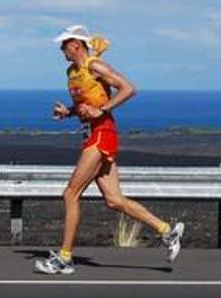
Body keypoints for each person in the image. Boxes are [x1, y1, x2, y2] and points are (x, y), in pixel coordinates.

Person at [34, 25, 184, 275]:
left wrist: (102, 111)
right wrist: (68, 112)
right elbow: (87, 105)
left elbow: (128, 89)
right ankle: (167, 231)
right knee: (114, 200)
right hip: (93, 134)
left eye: (64, 44)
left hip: (103, 134)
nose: (61, 49)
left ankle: (64, 258)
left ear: (76, 44)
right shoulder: (72, 71)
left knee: (70, 194)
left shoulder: (95, 66)